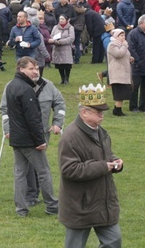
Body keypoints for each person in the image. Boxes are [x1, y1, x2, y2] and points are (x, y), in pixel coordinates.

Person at [58, 85, 123, 248]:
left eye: (102, 112)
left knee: (114, 241)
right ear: (84, 112)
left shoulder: (101, 132)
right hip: (79, 205)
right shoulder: (70, 137)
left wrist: (115, 162)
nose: (102, 115)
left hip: (104, 202)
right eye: (98, 112)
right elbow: (69, 169)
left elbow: (105, 156)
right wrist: (104, 166)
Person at [0, 71, 66, 209]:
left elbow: (60, 103)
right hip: (26, 136)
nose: (35, 71)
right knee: (39, 169)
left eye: (37, 67)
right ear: (21, 69)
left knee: (24, 169)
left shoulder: (49, 85)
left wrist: (58, 123)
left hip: (41, 134)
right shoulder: (12, 86)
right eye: (31, 68)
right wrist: (7, 129)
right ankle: (43, 201)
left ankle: (24, 205)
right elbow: (4, 110)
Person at [106, 29, 133, 116]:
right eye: (121, 36)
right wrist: (125, 46)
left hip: (123, 71)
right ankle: (117, 110)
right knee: (119, 92)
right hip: (117, 71)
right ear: (116, 36)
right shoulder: (112, 45)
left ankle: (118, 109)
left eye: (124, 35)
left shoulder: (122, 45)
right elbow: (118, 54)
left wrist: (130, 58)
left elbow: (124, 55)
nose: (123, 37)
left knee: (123, 91)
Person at [126, 14, 145, 113]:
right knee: (135, 87)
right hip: (137, 65)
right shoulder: (133, 34)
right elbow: (131, 48)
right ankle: (133, 106)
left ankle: (143, 106)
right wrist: (138, 60)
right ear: (141, 23)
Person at [49, 15, 75, 85]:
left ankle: (67, 79)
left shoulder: (70, 28)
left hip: (66, 48)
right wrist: (54, 40)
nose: (61, 20)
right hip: (57, 48)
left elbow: (71, 38)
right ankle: (62, 78)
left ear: (66, 20)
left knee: (67, 64)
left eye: (62, 19)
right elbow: (51, 36)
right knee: (59, 64)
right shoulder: (55, 27)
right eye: (60, 19)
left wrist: (60, 41)